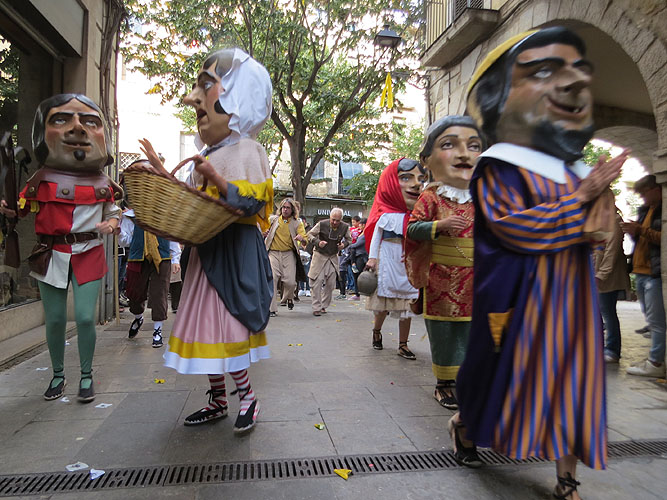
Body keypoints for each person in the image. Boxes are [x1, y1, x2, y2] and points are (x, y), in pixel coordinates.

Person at [453, 27, 628, 500]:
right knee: (498, 380)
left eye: (579, 70)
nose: (573, 82)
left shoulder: (573, 171)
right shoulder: (497, 165)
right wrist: (583, 198)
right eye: (545, 71)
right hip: (519, 303)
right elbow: (512, 227)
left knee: (575, 384)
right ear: (500, 96)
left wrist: (597, 205)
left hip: (575, 298)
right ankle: (466, 426)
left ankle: (566, 480)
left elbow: (596, 232)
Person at [148, 48, 273, 433]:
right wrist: (161, 174)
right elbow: (189, 205)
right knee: (206, 330)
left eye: (206, 86)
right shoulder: (206, 153)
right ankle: (219, 400)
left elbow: (251, 204)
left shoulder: (249, 149)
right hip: (204, 257)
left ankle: (248, 398)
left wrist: (216, 178)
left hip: (234, 257)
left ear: (239, 94)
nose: (193, 99)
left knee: (229, 329)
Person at [0, 93, 122, 403]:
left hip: (88, 252)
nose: (78, 128)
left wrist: (111, 224)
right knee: (54, 319)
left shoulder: (103, 182)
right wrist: (9, 209)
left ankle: (86, 376)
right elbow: (21, 210)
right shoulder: (40, 179)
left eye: (89, 122)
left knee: (84, 317)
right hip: (50, 253)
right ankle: (57, 375)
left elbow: (114, 212)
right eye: (62, 119)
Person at [405, 115, 483, 408]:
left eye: (474, 146)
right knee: (444, 333)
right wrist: (440, 225)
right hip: (440, 278)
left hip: (474, 279)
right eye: (450, 145)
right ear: (428, 160)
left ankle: (464, 380)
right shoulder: (431, 198)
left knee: (470, 332)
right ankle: (443, 384)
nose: (464, 154)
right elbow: (412, 229)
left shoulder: (481, 198)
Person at [365, 158, 425, 359]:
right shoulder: (385, 214)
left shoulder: (418, 215)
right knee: (382, 305)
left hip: (408, 262)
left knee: (408, 305)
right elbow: (376, 236)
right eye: (406, 178)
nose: (415, 184)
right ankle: (376, 332)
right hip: (387, 261)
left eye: (420, 179)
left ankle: (403, 345)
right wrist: (373, 258)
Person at [119, 170, 181, 348]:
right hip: (138, 258)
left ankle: (157, 330)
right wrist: (119, 231)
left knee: (159, 294)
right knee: (134, 294)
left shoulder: (166, 216)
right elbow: (125, 240)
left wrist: (175, 259)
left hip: (162, 258)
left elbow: (172, 237)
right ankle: (138, 317)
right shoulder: (131, 216)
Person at [622, 175, 665, 377]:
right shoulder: (645, 211)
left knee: (657, 321)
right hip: (640, 271)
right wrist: (634, 233)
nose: (642, 198)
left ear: (656, 190)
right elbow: (643, 239)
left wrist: (640, 230)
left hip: (654, 273)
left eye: (644, 193)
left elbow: (663, 239)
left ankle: (656, 363)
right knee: (650, 319)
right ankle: (654, 358)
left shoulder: (662, 211)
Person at [593, 206, 630, 363]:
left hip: (607, 277)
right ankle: (598, 346)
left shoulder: (613, 220)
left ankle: (613, 350)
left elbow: (612, 251)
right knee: (598, 312)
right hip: (596, 273)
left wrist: (602, 275)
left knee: (607, 312)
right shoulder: (597, 220)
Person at [264, 197, 307, 315]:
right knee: (273, 278)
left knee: (290, 282)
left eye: (288, 208)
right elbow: (262, 228)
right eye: (283, 207)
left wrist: (301, 238)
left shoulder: (297, 223)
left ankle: (289, 297)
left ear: (292, 210)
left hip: (289, 254)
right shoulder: (273, 220)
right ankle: (272, 309)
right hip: (273, 253)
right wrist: (264, 232)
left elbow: (305, 239)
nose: (285, 210)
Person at [307, 208, 351, 316]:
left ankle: (323, 305)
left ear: (341, 219)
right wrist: (317, 242)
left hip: (332, 256)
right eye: (333, 219)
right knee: (317, 281)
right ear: (330, 217)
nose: (335, 222)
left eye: (337, 220)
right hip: (319, 254)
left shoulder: (345, 227)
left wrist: (343, 245)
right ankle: (316, 307)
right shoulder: (322, 224)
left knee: (331, 283)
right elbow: (309, 234)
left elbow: (349, 240)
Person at [347, 217, 367, 301]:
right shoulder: (361, 233)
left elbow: (357, 244)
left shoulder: (365, 235)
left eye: (360, 224)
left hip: (361, 257)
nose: (359, 226)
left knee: (357, 275)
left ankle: (358, 293)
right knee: (355, 275)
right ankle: (357, 292)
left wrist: (350, 246)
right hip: (357, 256)